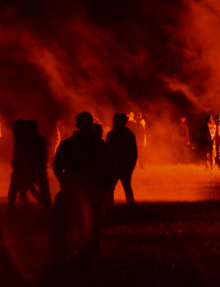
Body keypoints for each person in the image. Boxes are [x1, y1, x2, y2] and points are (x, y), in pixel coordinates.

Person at [52, 112, 113, 266]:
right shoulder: (100, 146)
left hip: (73, 189)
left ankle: (63, 253)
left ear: (77, 125)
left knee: (61, 223)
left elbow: (57, 166)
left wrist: (63, 181)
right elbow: (109, 168)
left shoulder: (68, 144)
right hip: (91, 190)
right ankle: (88, 254)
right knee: (91, 224)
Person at [8, 120, 51, 208]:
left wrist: (21, 167)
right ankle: (47, 205)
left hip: (28, 169)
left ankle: (12, 204)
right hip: (37, 169)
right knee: (43, 188)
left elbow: (19, 156)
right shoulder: (40, 139)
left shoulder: (23, 140)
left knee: (15, 187)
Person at [106, 113, 138, 206]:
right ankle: (131, 206)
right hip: (124, 166)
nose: (113, 122)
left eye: (114, 120)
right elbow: (134, 152)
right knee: (127, 187)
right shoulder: (129, 134)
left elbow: (108, 151)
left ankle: (109, 207)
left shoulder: (112, 134)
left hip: (115, 166)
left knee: (111, 188)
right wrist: (131, 166)